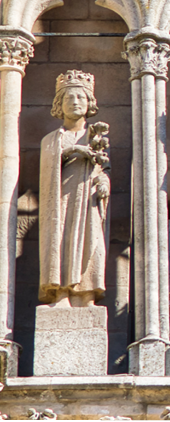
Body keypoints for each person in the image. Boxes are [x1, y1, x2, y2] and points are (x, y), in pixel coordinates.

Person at [39, 70, 110, 308]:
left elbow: (104, 170)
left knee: (92, 241)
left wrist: (103, 183)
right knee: (61, 241)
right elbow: (48, 168)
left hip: (88, 202)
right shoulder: (52, 138)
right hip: (62, 203)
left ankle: (86, 294)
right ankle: (62, 294)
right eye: (69, 98)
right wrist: (74, 151)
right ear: (60, 104)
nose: (75, 102)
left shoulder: (96, 137)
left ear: (90, 102)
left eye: (81, 97)